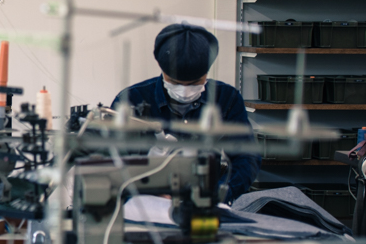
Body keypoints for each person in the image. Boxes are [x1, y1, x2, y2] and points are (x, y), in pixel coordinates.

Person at [112, 23, 262, 201]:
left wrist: (219, 193)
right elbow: (111, 162)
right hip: (145, 201)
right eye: (175, 82)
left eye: (194, 82)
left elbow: (247, 158)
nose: (184, 90)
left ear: (206, 73)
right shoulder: (131, 99)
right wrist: (144, 189)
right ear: (162, 70)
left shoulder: (226, 99)